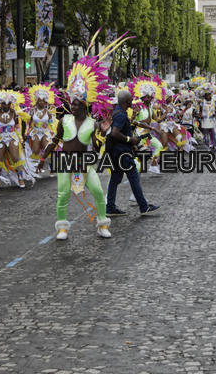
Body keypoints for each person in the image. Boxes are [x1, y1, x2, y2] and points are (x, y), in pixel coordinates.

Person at [36, 57, 111, 240]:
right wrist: (43, 158)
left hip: (84, 163)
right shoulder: (64, 120)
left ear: (84, 105)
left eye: (76, 104)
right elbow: (55, 140)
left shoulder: (93, 123)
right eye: (72, 103)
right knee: (63, 195)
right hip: (65, 162)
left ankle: (102, 224)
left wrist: (102, 132)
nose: (73, 106)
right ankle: (62, 228)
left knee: (98, 191)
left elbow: (96, 147)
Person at [106, 90, 159, 217]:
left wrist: (132, 145)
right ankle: (143, 206)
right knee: (134, 177)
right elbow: (114, 132)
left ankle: (110, 207)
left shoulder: (118, 112)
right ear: (126, 101)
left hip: (117, 152)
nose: (132, 101)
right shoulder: (120, 115)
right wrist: (130, 140)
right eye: (130, 99)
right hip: (122, 153)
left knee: (115, 179)